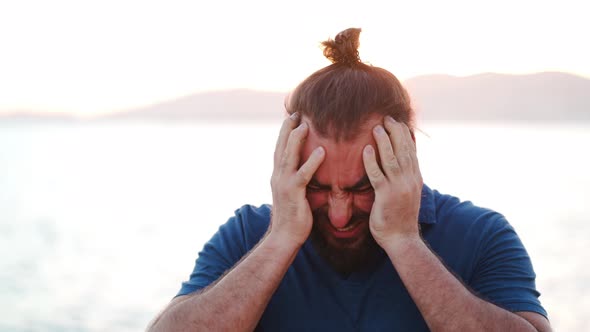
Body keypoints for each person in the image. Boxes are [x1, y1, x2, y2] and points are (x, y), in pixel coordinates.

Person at [146, 28, 551, 331]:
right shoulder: (249, 235)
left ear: (404, 151)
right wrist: (282, 238)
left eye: (363, 188)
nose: (340, 216)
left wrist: (405, 242)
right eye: (317, 187)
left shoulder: (480, 234)